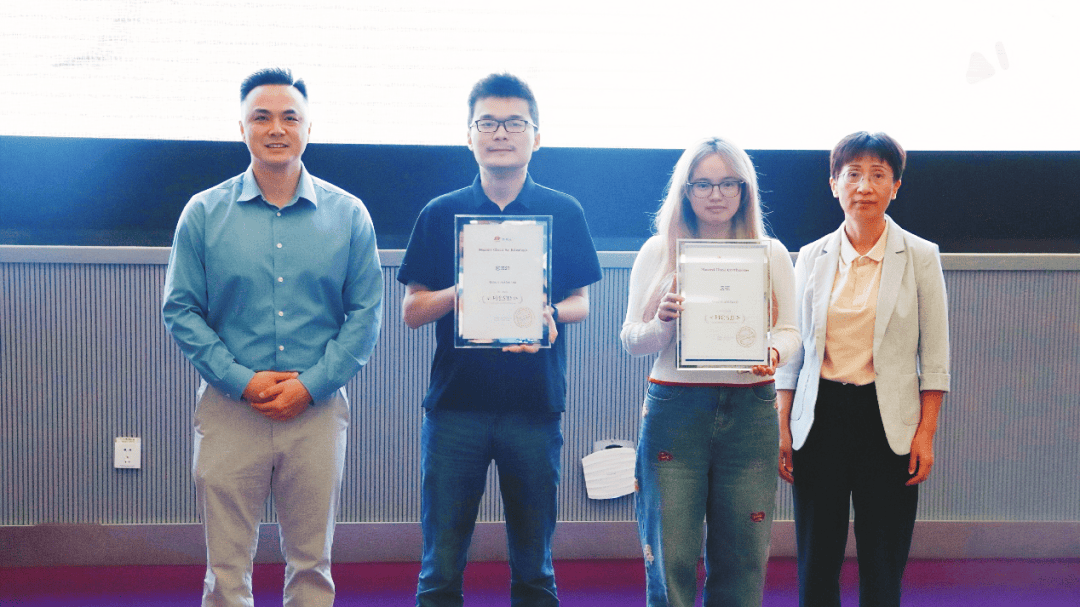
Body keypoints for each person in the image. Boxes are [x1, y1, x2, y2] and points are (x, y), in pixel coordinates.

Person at [162, 67, 384, 607]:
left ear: (309, 128)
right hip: (230, 408)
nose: (276, 128)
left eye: (290, 117)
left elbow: (366, 315)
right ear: (241, 127)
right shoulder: (203, 213)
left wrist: (310, 386)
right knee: (226, 569)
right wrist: (243, 380)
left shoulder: (349, 214)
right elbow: (181, 309)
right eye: (261, 117)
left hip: (316, 411)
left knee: (312, 566)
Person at [397, 72, 602, 607]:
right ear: (469, 136)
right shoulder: (440, 212)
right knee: (440, 567)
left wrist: (550, 315)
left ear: (537, 136)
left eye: (515, 123)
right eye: (487, 123)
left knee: (534, 568)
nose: (501, 133)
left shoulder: (564, 210)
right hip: (455, 410)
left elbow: (581, 302)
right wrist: (465, 290)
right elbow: (412, 311)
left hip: (534, 408)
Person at [620, 136, 800, 607]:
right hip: (675, 411)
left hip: (751, 410)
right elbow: (631, 340)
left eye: (727, 183)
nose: (715, 194)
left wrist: (773, 352)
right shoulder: (657, 251)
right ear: (685, 190)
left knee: (744, 556)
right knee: (670, 554)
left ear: (744, 190)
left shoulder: (771, 252)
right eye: (702, 184)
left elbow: (791, 332)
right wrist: (662, 323)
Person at [775, 131, 950, 607]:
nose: (864, 187)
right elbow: (794, 352)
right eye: (852, 174)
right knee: (817, 557)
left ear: (896, 185)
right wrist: (782, 424)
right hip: (820, 417)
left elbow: (935, 357)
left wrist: (925, 434)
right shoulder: (811, 257)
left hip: (887, 421)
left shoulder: (920, 255)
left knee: (883, 558)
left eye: (878, 175)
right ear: (834, 183)